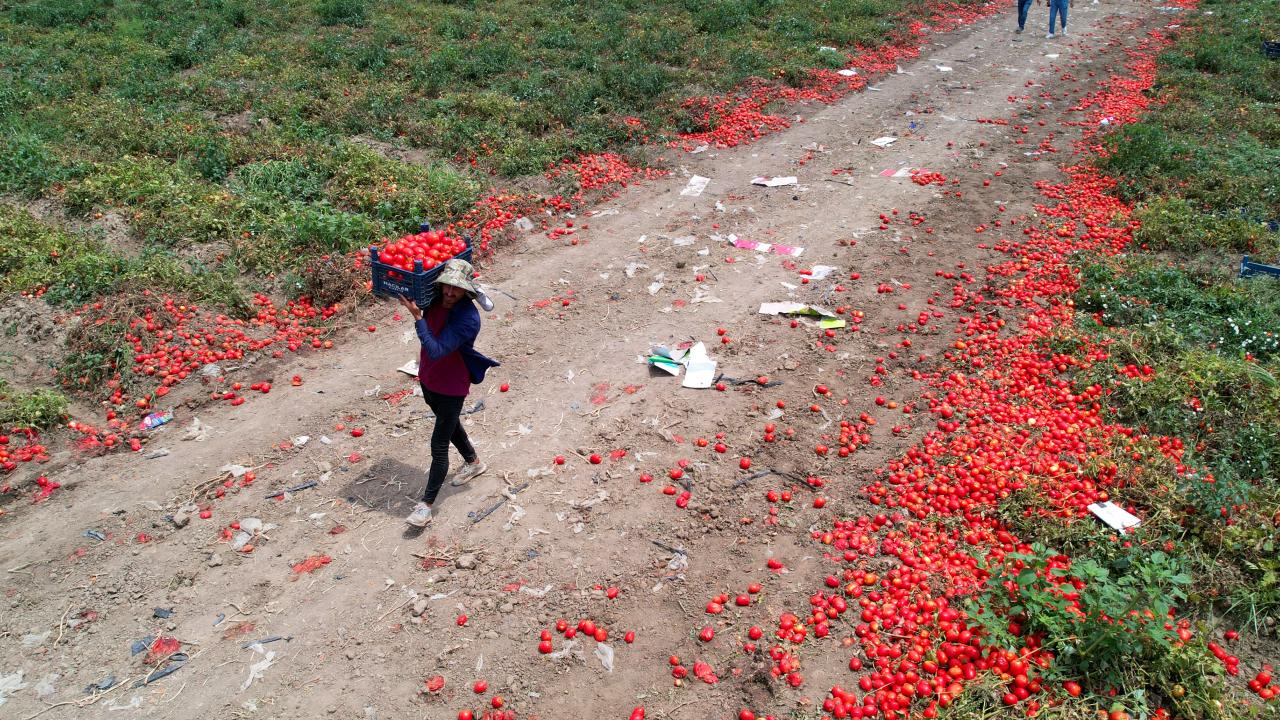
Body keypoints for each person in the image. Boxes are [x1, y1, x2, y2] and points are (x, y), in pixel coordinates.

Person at [398, 258, 499, 527]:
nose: (451, 293)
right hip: (429, 378)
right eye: (447, 286)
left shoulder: (468, 319)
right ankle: (474, 462)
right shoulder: (434, 300)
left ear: (467, 290)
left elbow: (437, 349)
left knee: (439, 444)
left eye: (457, 288)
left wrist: (418, 319)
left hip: (452, 386)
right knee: (450, 424)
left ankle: (425, 506)